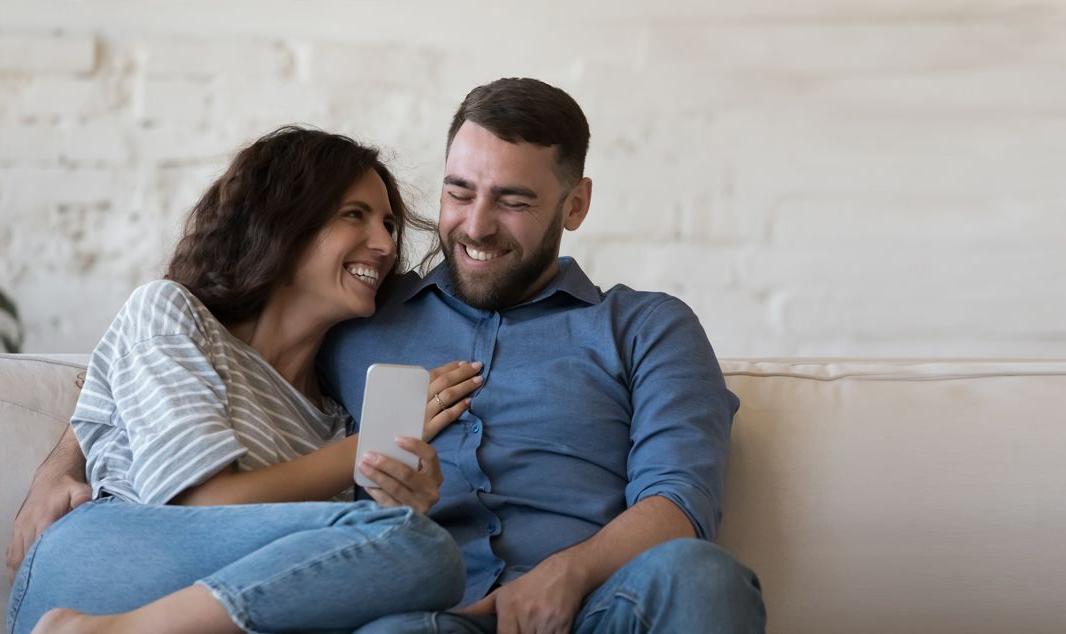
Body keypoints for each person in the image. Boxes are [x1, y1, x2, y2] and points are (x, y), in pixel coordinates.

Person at [11, 79, 766, 633]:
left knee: (700, 577)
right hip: (423, 610)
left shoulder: (646, 327)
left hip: (592, 603)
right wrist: (61, 464)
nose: (473, 225)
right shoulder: (359, 317)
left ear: (574, 205)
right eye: (458, 191)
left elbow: (679, 499)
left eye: (513, 200)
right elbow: (146, 358)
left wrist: (567, 574)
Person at [7, 127, 482, 633]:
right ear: (284, 221)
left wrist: (399, 497)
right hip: (105, 565)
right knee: (423, 548)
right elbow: (201, 504)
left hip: (209, 608)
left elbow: (297, 572)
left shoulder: (334, 419)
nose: (386, 245)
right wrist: (369, 454)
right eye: (354, 215)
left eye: (388, 224)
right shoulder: (170, 313)